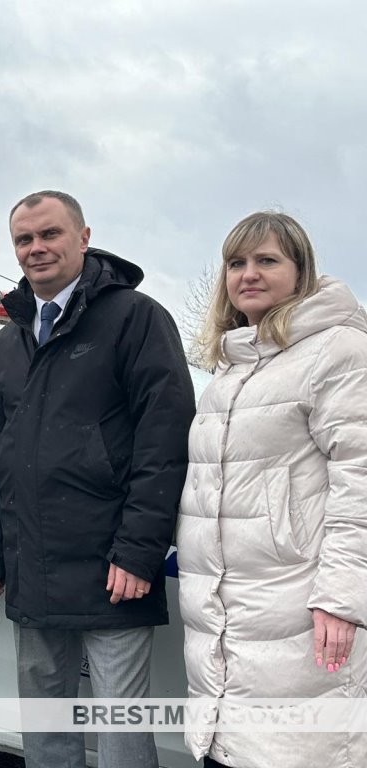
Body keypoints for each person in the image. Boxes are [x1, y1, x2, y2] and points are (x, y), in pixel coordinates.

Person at [0, 191, 194, 768]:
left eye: (50, 234)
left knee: (121, 728)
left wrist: (140, 552)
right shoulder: (7, 342)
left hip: (113, 568)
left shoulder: (135, 319)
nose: (37, 248)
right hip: (33, 565)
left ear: (84, 237)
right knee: (45, 723)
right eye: (24, 239)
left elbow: (165, 441)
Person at [177, 212, 367, 768]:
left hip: (298, 605)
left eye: (267, 260)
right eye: (237, 263)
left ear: (301, 271)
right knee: (230, 750)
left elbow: (360, 479)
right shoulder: (229, 372)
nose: (248, 274)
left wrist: (341, 596)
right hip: (223, 612)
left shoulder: (339, 352)